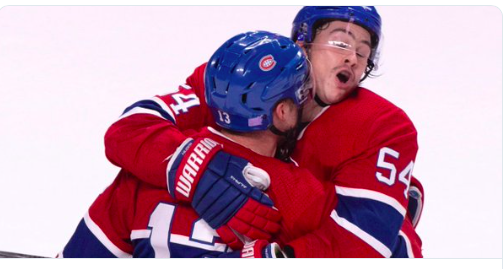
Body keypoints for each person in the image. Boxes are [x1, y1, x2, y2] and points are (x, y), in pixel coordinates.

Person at [104, 6, 424, 257]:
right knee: (138, 180)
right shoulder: (239, 77)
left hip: (335, 238)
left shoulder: (384, 126)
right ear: (303, 41)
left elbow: (364, 243)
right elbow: (128, 131)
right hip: (262, 223)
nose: (352, 58)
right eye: (341, 42)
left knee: (390, 239)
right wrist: (197, 169)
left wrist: (277, 258)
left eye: (363, 51)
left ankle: (393, 201)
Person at [59, 31, 336, 258]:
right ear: (283, 112)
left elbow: (79, 257)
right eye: (303, 92)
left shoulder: (140, 177)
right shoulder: (301, 196)